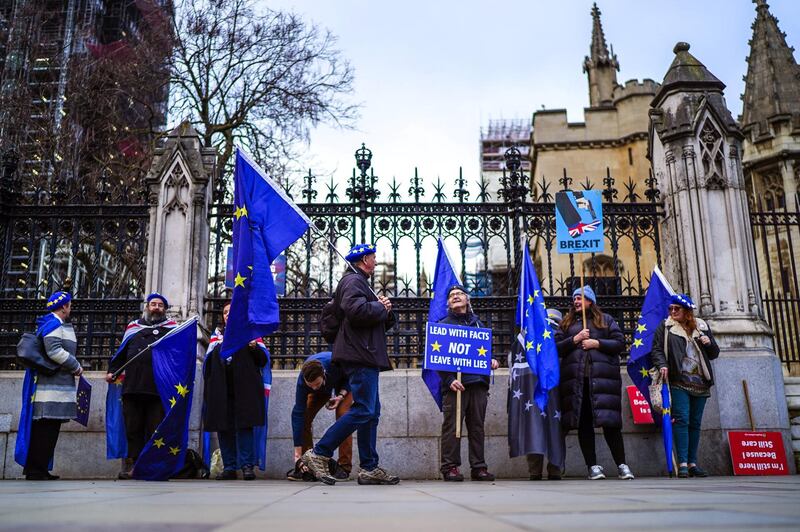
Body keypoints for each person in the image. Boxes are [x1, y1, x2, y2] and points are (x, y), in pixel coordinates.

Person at [301, 243, 399, 486]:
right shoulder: (353, 282)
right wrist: (379, 307)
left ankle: (369, 467)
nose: (376, 261)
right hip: (360, 355)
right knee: (365, 409)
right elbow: (356, 311)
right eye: (374, 257)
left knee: (371, 412)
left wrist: (385, 310)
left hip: (365, 353)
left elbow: (373, 320)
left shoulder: (360, 283)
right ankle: (319, 452)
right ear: (365, 259)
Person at [555, 286, 634, 480]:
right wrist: (575, 339)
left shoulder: (606, 320)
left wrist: (597, 343)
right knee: (584, 424)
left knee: (611, 424)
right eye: (574, 298)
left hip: (603, 383)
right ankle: (592, 466)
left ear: (591, 301)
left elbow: (619, 343)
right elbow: (556, 348)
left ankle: (622, 464)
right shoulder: (566, 323)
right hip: (577, 383)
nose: (576, 301)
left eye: (580, 298)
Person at [106, 292, 177, 479]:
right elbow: (121, 354)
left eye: (160, 305)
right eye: (153, 304)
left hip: (158, 389)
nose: (156, 307)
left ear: (165, 310)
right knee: (133, 428)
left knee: (155, 429)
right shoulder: (133, 328)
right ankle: (134, 467)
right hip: (133, 387)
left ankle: (155, 467)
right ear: (146, 307)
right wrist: (111, 371)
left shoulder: (172, 329)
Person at [650, 294, 719, 478]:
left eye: (677, 309)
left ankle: (692, 463)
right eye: (670, 309)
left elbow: (714, 354)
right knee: (682, 419)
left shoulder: (701, 327)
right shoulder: (666, 327)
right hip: (678, 380)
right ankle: (682, 463)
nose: (672, 312)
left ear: (687, 311)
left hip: (700, 382)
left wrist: (709, 343)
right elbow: (656, 349)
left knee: (695, 423)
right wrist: (662, 364)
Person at [437, 284, 499, 482]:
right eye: (452, 295)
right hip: (455, 385)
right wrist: (449, 379)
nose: (455, 296)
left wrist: (492, 360)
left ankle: (479, 467)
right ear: (447, 302)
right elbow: (436, 357)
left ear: (467, 299)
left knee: (477, 427)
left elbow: (485, 351)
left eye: (459, 294)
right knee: (451, 428)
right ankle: (450, 467)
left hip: (478, 383)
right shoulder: (443, 324)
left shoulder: (478, 324)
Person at [203, 301, 268, 481]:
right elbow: (208, 364)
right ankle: (229, 467)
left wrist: (254, 347)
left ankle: (247, 466)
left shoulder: (250, 333)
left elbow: (262, 360)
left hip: (245, 389)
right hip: (221, 390)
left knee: (244, 428)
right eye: (225, 312)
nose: (227, 315)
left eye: (231, 311)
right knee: (224, 429)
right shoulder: (216, 336)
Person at [24, 292, 83, 480]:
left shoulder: (53, 323)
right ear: (64, 306)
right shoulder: (54, 324)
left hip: (55, 386)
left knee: (48, 428)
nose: (70, 308)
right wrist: (76, 366)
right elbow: (54, 350)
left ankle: (39, 469)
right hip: (50, 388)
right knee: (46, 429)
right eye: (70, 305)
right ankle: (36, 470)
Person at [510, 308, 565, 481]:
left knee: (534, 428)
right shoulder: (532, 336)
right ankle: (554, 468)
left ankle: (536, 470)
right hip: (553, 388)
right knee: (552, 428)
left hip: (532, 390)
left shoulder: (531, 336)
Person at [288, 352, 352, 481]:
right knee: (304, 417)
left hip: (343, 385)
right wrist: (297, 454)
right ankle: (309, 464)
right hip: (324, 388)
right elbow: (298, 413)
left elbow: (351, 376)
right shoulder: (304, 381)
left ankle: (344, 467)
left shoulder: (335, 362)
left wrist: (340, 396)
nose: (314, 388)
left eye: (316, 384)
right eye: (310, 385)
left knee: (344, 418)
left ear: (323, 373)